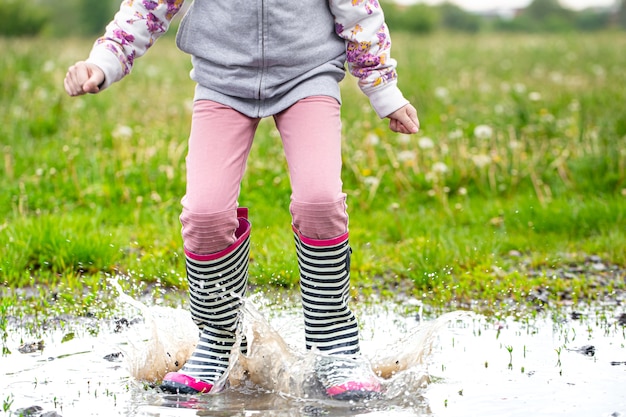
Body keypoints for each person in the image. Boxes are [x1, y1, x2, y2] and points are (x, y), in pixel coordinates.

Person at [64, 0, 419, 400]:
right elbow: (148, 7)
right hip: (222, 82)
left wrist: (383, 90)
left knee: (320, 202)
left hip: (308, 75)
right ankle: (217, 342)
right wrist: (105, 60)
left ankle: (334, 344)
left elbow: (359, 10)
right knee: (205, 216)